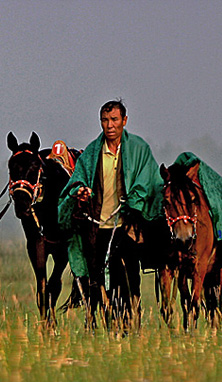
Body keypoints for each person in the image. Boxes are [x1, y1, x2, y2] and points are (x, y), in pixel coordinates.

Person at [58, 99, 164, 326]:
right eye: (105, 120)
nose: (110, 125)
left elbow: (150, 181)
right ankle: (105, 325)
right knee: (98, 281)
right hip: (98, 228)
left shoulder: (139, 149)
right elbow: (77, 181)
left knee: (129, 278)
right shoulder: (91, 154)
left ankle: (131, 324)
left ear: (124, 121)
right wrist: (80, 192)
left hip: (127, 226)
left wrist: (134, 202)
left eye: (114, 119)